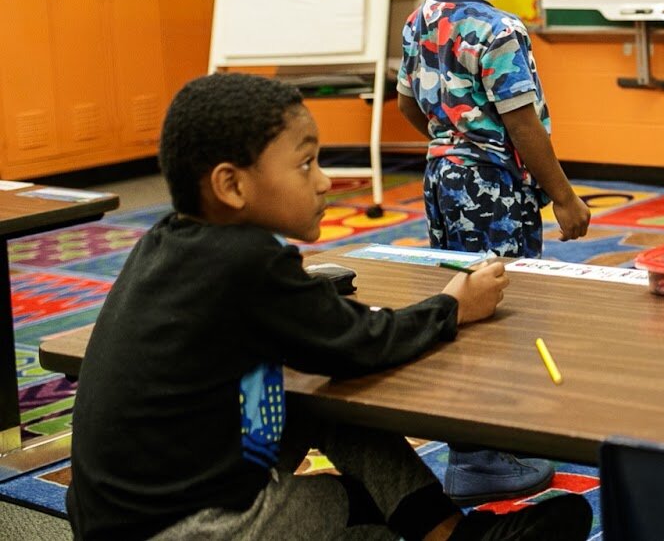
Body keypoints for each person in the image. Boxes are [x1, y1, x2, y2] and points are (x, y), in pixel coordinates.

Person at [66, 73, 593, 541]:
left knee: (319, 398)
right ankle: (445, 534)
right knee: (367, 509)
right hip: (188, 524)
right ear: (231, 185)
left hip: (126, 511)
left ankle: (451, 534)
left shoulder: (166, 241)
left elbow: (313, 333)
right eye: (305, 163)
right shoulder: (245, 260)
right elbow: (359, 343)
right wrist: (453, 306)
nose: (324, 181)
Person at [397, 0, 592, 502]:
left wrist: (450, 139)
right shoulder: (499, 29)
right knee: (500, 304)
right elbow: (522, 123)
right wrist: (562, 195)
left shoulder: (420, 19)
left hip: (441, 181)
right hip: (495, 188)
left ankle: (478, 443)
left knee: (462, 299)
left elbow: (407, 103)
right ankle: (484, 460)